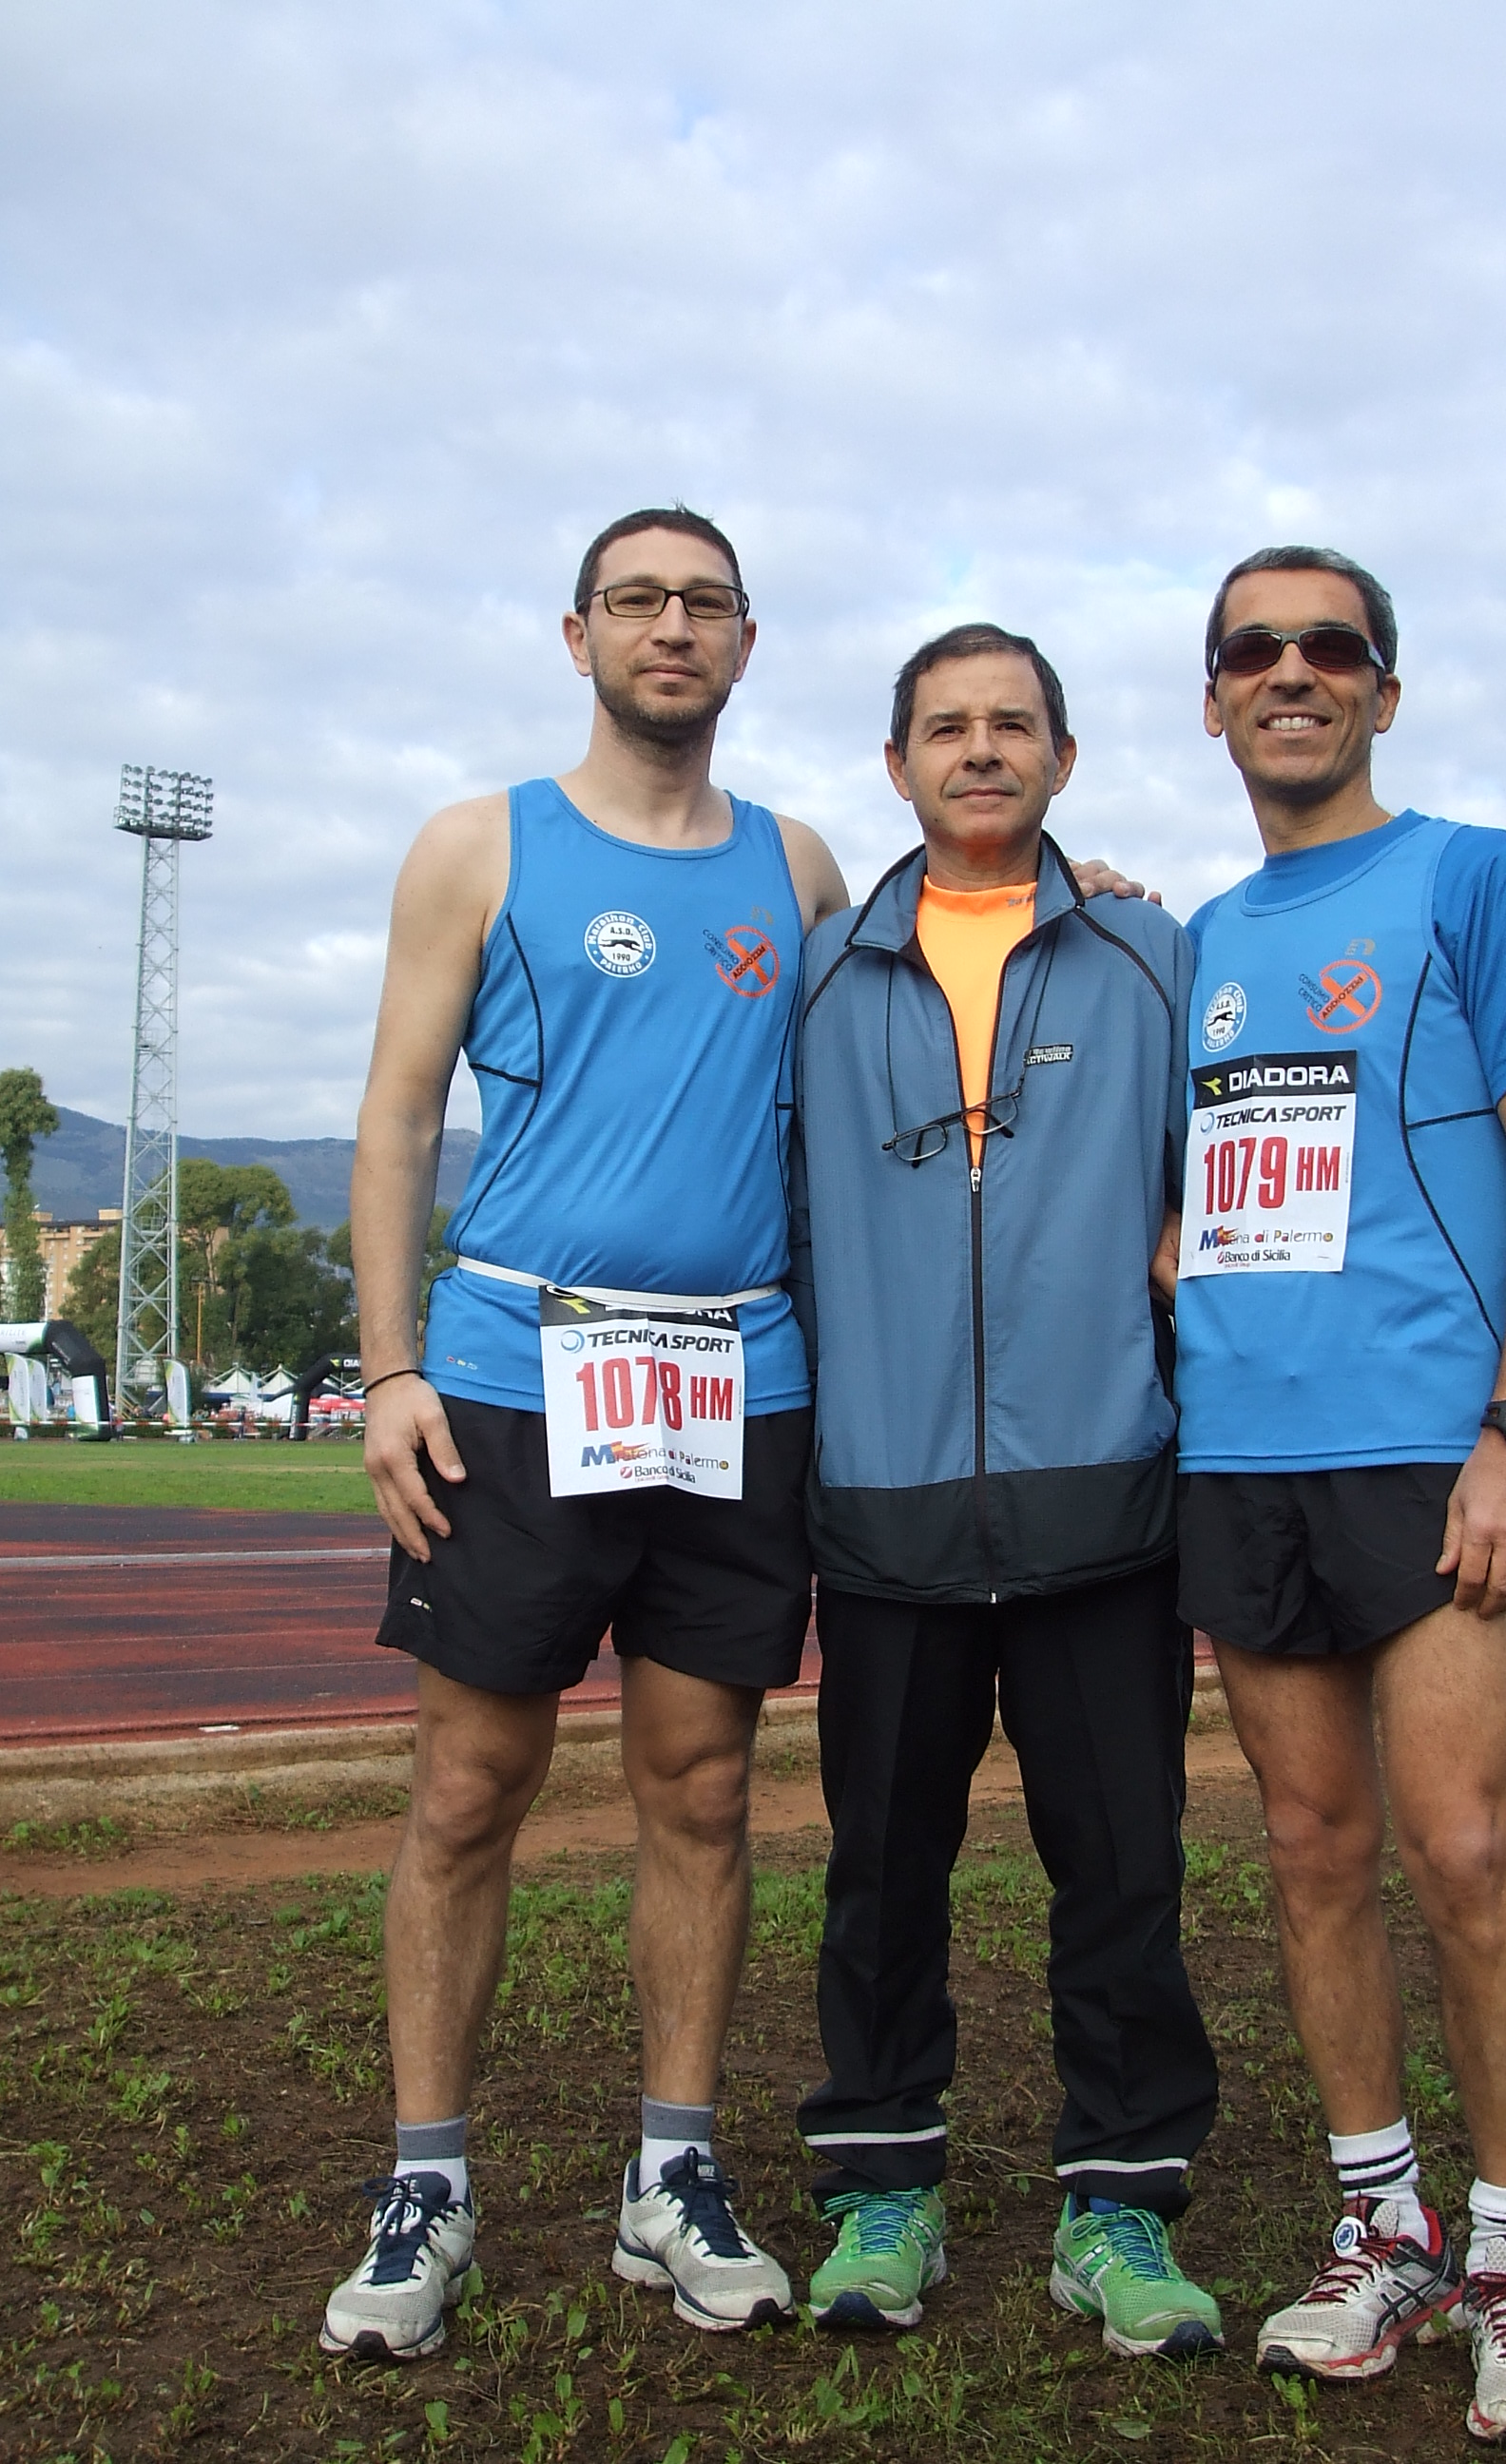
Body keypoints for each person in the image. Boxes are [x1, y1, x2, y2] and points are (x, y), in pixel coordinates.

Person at [322, 507, 855, 2360]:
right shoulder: (479, 845)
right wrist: (389, 1368)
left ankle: (672, 2172)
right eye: (637, 601)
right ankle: (427, 2184)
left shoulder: (799, 864)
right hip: (511, 1376)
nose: (670, 628)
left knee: (701, 1787)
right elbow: (398, 1118)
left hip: (736, 1383)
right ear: (578, 636)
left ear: (746, 641)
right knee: (469, 1787)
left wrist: (1066, 892)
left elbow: (898, 1033)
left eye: (704, 603)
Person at [1168, 547, 1506, 2444]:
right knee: (1308, 1849)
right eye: (1253, 649)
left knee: (1465, 1850)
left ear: (1382, 689)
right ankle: (1385, 2231)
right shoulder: (1191, 940)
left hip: (1431, 1453)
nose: (1293, 671)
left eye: (1329, 645)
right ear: (1211, 700)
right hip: (1236, 1453)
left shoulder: (1475, 877)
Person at [788, 623, 1224, 2362]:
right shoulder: (816, 977)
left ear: (1063, 756)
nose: (980, 750)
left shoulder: (1153, 953)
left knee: (1120, 1872)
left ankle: (1118, 2204)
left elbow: (1223, 1178)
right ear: (896, 763)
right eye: (946, 726)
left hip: (1104, 1507)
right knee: (879, 1874)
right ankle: (881, 2186)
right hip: (885, 1506)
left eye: (1012, 724)